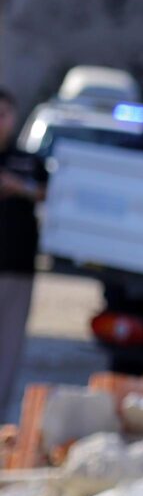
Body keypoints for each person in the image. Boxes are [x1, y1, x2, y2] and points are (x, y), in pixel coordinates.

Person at [0, 90, 47, 419]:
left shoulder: (28, 160)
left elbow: (51, 193)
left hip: (17, 266)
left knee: (8, 346)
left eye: (3, 114)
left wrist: (19, 188)